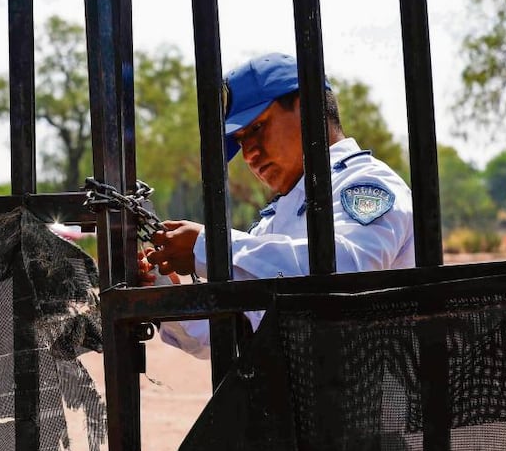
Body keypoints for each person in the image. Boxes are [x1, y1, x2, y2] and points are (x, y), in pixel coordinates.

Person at [140, 52, 414, 359]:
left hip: (372, 404)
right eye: (241, 140)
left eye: (256, 129)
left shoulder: (367, 184)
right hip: (304, 401)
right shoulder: (277, 217)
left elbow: (343, 275)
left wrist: (212, 249)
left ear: (307, 107)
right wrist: (164, 295)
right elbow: (236, 334)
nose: (249, 154)